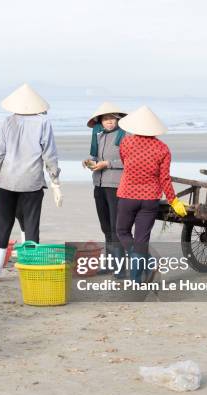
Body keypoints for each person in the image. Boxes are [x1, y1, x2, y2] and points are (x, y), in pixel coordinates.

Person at [0, 83, 62, 282]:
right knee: (30, 226)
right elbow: (49, 154)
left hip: (7, 181)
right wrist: (55, 182)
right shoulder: (43, 122)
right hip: (32, 182)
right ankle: (31, 269)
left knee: (4, 225)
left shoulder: (6, 122)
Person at [116, 106, 187, 282]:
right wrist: (174, 201)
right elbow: (165, 179)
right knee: (142, 239)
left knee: (122, 231)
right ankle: (136, 278)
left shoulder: (126, 143)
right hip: (150, 199)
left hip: (128, 195)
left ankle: (137, 257)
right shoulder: (163, 149)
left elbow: (125, 162)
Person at [83, 102, 127, 276]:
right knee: (106, 227)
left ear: (118, 120)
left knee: (117, 228)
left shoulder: (125, 136)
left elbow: (129, 161)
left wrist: (108, 164)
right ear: (100, 121)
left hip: (116, 187)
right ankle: (110, 264)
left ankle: (120, 268)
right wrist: (88, 161)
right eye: (106, 119)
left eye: (113, 119)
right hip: (99, 186)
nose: (109, 122)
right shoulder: (99, 136)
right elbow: (95, 156)